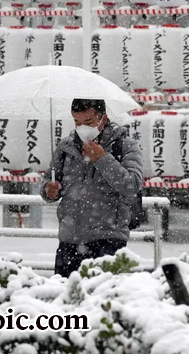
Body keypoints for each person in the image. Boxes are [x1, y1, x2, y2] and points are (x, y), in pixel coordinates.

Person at [41, 99, 144, 277]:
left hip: (108, 238)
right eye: (77, 122)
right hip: (69, 238)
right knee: (65, 298)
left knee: (102, 299)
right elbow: (47, 182)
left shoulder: (125, 145)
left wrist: (102, 159)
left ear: (103, 119)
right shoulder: (66, 147)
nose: (82, 128)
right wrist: (48, 190)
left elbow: (132, 185)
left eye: (88, 122)